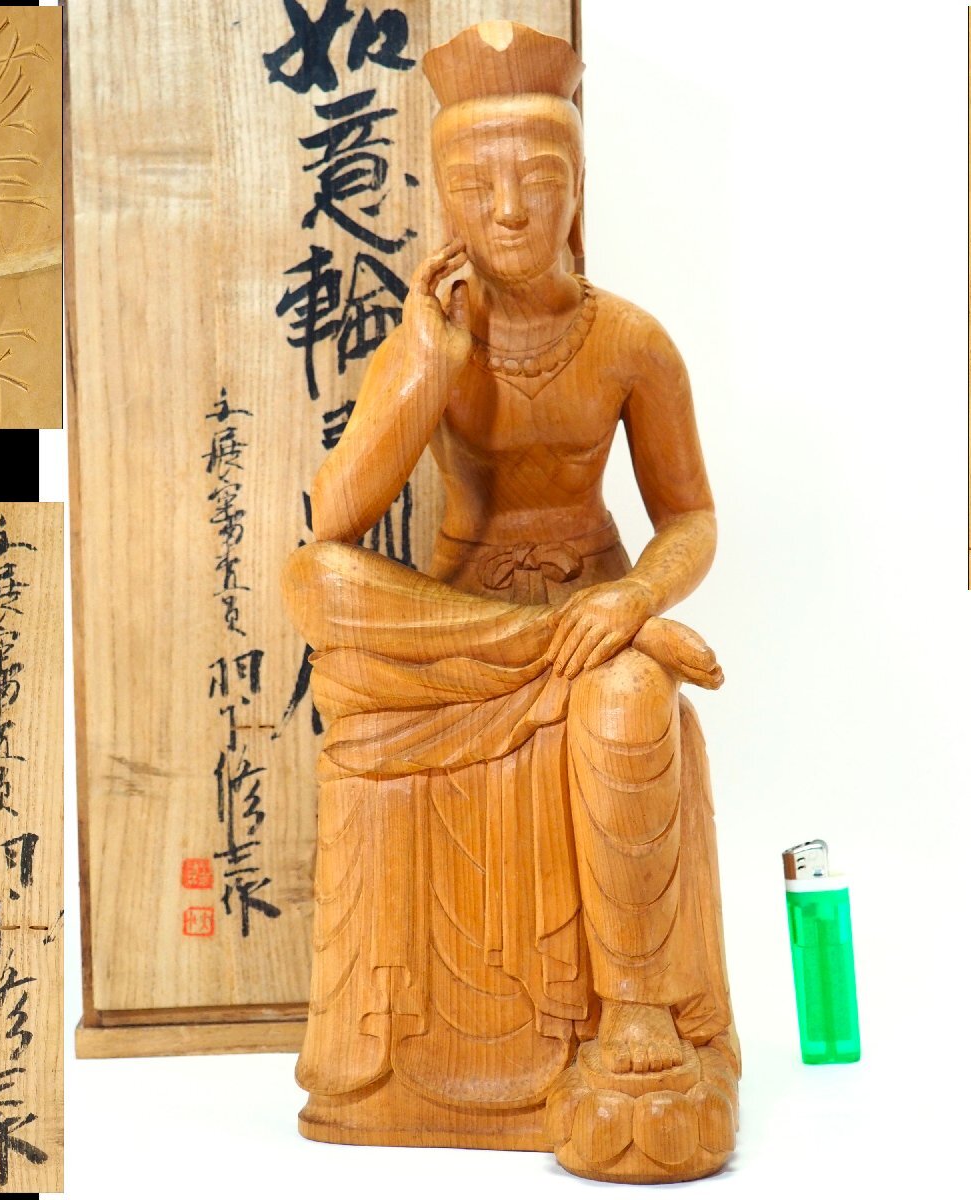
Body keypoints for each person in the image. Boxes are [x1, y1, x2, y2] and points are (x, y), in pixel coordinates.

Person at [284, 20, 737, 1140]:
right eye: (475, 186)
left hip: (594, 607)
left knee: (625, 699)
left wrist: (631, 602)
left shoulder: (629, 342)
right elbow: (334, 521)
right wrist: (426, 367)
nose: (509, 211)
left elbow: (690, 517)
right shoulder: (434, 339)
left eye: (537, 181)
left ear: (576, 191)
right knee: (313, 580)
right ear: (444, 203)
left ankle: (637, 1017)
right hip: (466, 626)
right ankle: (554, 647)